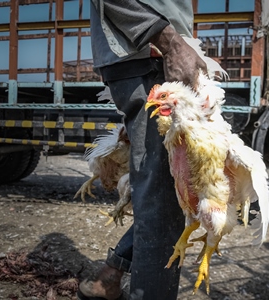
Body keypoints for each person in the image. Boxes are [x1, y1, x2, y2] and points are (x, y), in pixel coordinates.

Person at [77, 1, 207, 299]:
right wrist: (171, 42)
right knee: (163, 202)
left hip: (152, 55)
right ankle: (117, 279)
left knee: (169, 196)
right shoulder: (162, 44)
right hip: (151, 56)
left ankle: (111, 275)